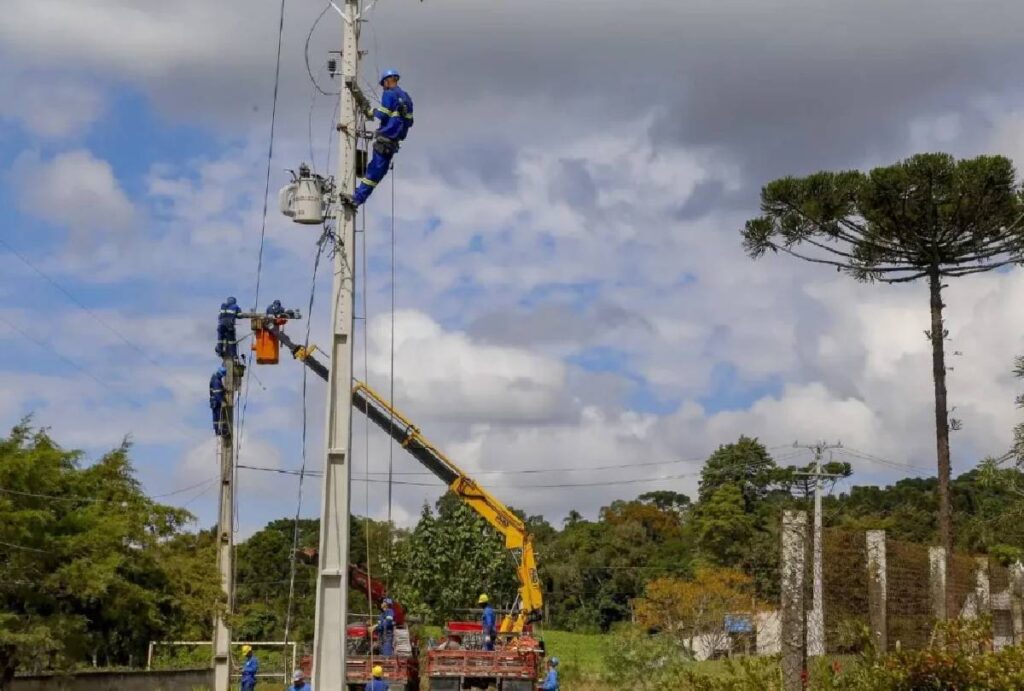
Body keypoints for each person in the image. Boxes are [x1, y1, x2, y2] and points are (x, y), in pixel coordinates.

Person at [344, 69, 414, 209]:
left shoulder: (389, 93)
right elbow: (410, 122)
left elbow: (382, 114)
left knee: (373, 172)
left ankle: (357, 198)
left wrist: (371, 112)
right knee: (377, 174)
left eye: (383, 84)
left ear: (388, 81)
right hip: (393, 143)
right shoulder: (406, 98)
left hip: (385, 139)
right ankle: (358, 198)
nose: (383, 87)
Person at [209, 366, 227, 436]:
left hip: (214, 401)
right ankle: (220, 430)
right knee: (219, 416)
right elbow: (217, 393)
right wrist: (222, 401)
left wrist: (223, 389)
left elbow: (219, 390)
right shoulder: (216, 381)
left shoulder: (215, 378)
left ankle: (219, 430)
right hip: (216, 401)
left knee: (217, 417)